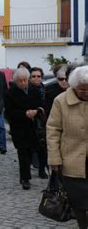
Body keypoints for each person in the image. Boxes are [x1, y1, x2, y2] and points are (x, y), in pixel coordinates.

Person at [47, 65, 88, 229]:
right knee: (79, 201)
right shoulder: (61, 101)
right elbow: (53, 130)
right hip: (72, 159)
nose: (86, 92)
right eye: (82, 89)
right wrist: (54, 158)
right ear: (74, 86)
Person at [5, 68, 46, 190]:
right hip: (19, 127)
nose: (23, 83)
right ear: (16, 81)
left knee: (33, 150)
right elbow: (9, 112)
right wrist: (25, 113)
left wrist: (36, 111)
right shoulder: (10, 93)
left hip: (33, 127)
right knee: (23, 152)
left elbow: (41, 105)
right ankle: (25, 178)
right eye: (20, 81)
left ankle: (40, 170)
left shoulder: (34, 90)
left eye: (25, 80)